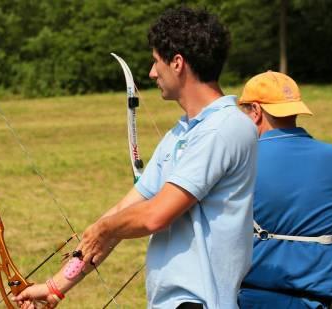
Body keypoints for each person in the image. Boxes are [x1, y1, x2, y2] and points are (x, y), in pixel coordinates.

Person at [14, 7, 257, 309]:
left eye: (157, 61)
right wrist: (55, 287)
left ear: (178, 63)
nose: (152, 73)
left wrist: (104, 228)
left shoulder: (226, 127)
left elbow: (155, 215)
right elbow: (125, 210)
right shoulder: (180, 134)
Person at [237, 71, 332, 308]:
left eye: (245, 112)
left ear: (256, 111)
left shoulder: (243, 160)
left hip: (259, 299)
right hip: (326, 301)